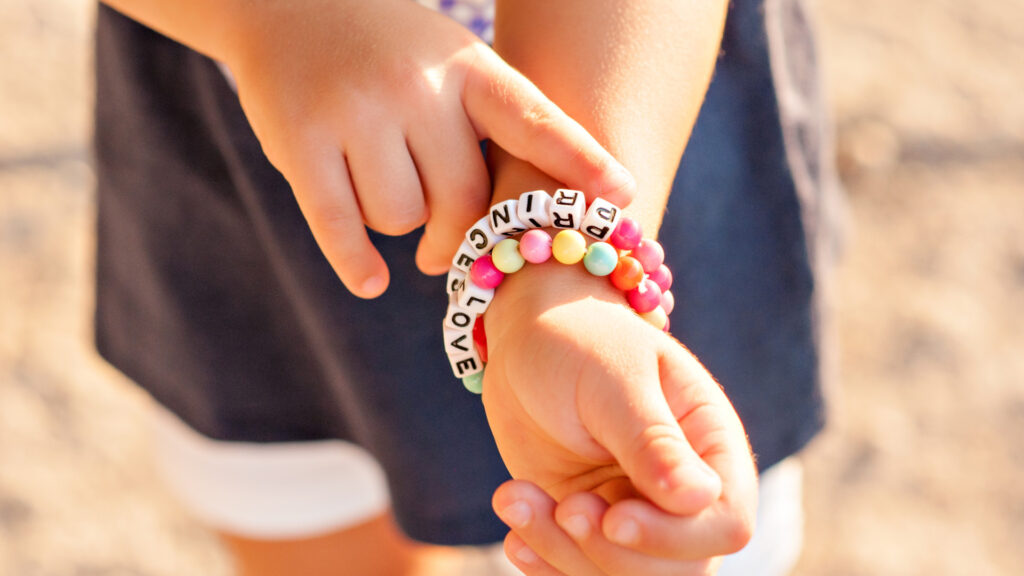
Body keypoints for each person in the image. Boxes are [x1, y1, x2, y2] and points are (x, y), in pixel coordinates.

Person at [93, 0, 839, 573]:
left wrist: (563, 277)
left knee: (643, 515)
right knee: (305, 515)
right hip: (243, 125)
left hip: (632, 100)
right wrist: (275, 20)